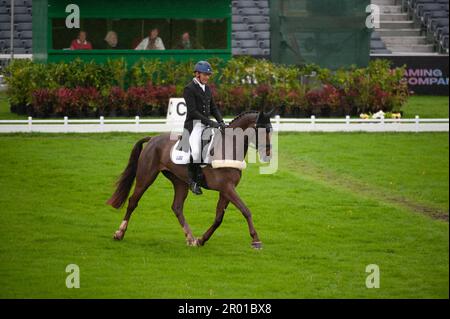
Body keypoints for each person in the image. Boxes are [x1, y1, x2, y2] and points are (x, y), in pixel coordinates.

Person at [183, 61, 226, 195]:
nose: (207, 77)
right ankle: (193, 181)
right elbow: (193, 112)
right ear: (197, 74)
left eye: (208, 75)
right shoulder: (189, 88)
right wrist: (210, 122)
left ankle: (208, 175)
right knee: (196, 152)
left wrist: (221, 121)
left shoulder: (207, 88)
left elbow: (213, 107)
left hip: (206, 124)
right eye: (205, 74)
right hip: (194, 124)